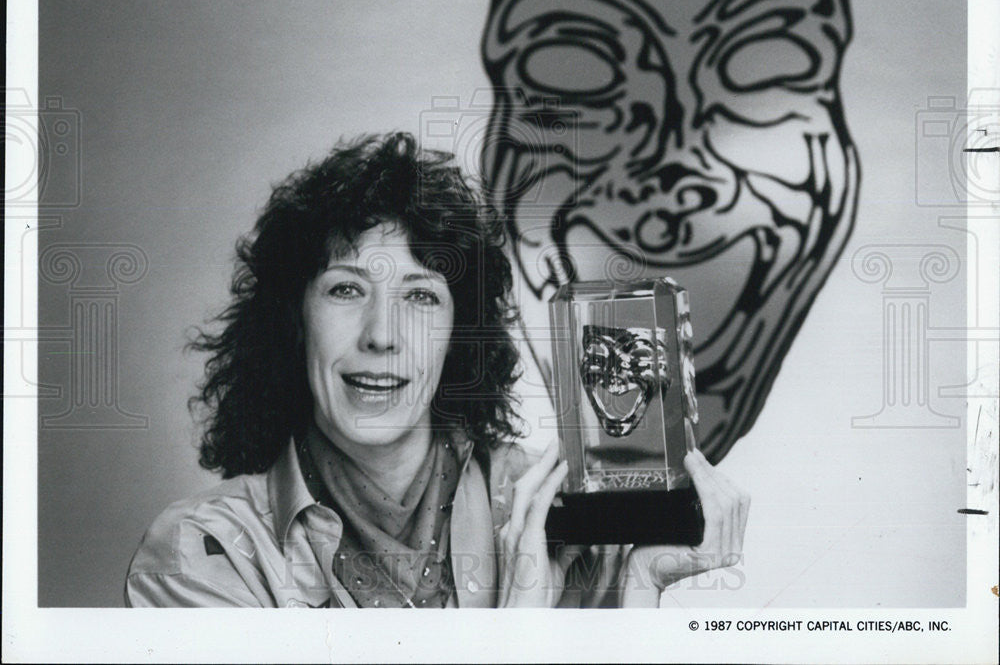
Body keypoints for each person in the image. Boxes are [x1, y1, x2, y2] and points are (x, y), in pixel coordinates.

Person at [125, 132, 750, 608]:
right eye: (345, 291)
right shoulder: (199, 554)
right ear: (293, 320)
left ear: (460, 336)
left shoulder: (564, 519)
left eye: (421, 296)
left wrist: (640, 586)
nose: (382, 336)